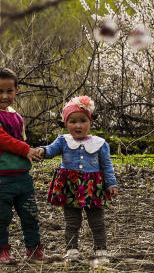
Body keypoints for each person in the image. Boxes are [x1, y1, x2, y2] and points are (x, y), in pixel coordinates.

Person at [36, 96, 118, 263]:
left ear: (90, 122)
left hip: (93, 188)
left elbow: (107, 166)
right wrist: (43, 151)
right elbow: (51, 150)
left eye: (83, 121)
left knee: (97, 221)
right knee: (72, 220)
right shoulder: (63, 140)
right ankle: (71, 250)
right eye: (73, 121)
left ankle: (101, 250)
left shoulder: (100, 144)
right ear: (66, 124)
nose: (78, 125)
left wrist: (111, 183)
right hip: (69, 187)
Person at [0, 67, 45, 264]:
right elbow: (1, 140)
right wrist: (26, 150)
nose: (5, 96)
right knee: (2, 216)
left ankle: (34, 250)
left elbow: (19, 139)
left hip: (22, 176)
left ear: (17, 90)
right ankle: (2, 250)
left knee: (31, 214)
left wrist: (34, 152)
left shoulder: (16, 115)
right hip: (0, 177)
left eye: (9, 91)